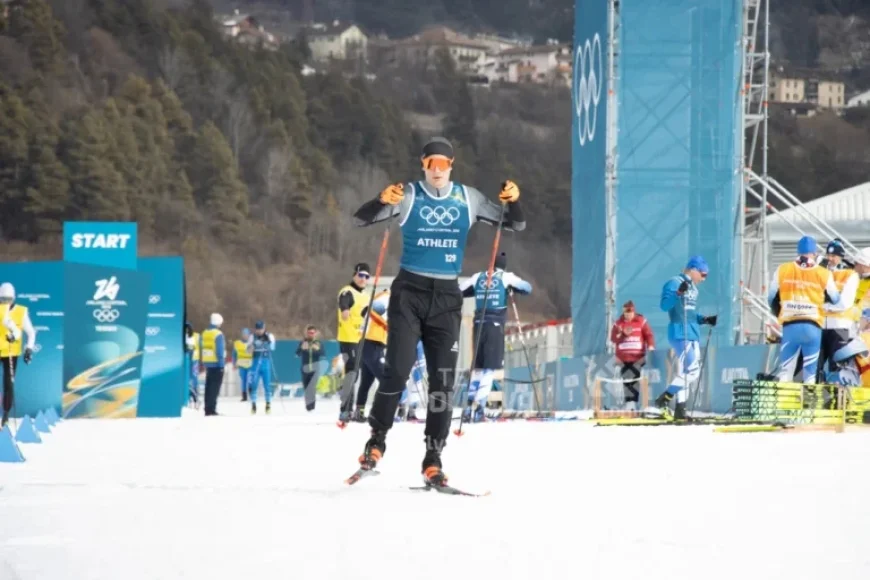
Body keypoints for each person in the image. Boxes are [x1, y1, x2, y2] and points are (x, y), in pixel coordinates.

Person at [350, 135, 525, 486]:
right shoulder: (409, 195)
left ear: (451, 165)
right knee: (397, 371)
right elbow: (361, 219)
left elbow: (513, 223)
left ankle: (433, 457)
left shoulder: (468, 198)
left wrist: (515, 201)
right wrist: (380, 200)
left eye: (443, 164)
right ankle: (376, 441)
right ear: (423, 164)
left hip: (446, 297)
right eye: (431, 163)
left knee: (443, 382)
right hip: (410, 293)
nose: (437, 170)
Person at [458, 251, 532, 422]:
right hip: (494, 325)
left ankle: (469, 405)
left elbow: (459, 290)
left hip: (478, 325)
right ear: (503, 265)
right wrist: (511, 287)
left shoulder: (478, 276)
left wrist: (480, 291)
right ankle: (480, 408)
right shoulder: (506, 277)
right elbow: (527, 288)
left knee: (478, 366)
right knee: (489, 368)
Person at [768, 236, 840, 385]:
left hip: (790, 325)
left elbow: (770, 297)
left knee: (786, 371)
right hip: (812, 326)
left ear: (798, 251)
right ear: (814, 253)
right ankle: (809, 405)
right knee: (810, 373)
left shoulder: (783, 269)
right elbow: (835, 298)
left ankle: (783, 405)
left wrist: (778, 311)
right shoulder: (823, 273)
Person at [656, 256, 718, 420]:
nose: (704, 279)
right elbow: (664, 306)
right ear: (693, 269)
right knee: (692, 371)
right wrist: (678, 292)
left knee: (685, 371)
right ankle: (665, 397)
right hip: (679, 332)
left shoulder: (694, 288)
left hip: (692, 332)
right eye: (703, 275)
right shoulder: (674, 282)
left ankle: (680, 409)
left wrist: (704, 319)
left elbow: (689, 313)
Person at [818, 239, 860, 381]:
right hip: (820, 325)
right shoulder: (820, 271)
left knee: (838, 367)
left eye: (834, 256)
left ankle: (839, 401)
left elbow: (845, 303)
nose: (830, 259)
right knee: (815, 366)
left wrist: (825, 306)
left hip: (841, 328)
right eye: (828, 255)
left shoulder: (850, 274)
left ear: (841, 256)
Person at [349, 289, 391, 422]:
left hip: (370, 346)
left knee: (367, 381)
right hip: (372, 345)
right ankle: (378, 412)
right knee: (385, 379)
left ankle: (359, 411)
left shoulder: (375, 311)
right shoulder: (378, 310)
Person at [337, 263, 372, 422]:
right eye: (361, 275)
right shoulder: (347, 291)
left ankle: (352, 409)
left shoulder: (365, 295)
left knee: (355, 374)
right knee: (352, 373)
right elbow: (344, 301)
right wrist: (345, 310)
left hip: (359, 339)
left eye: (366, 276)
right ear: (354, 275)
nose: (363, 279)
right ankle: (345, 410)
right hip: (348, 339)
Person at [0, 282, 36, 427]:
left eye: (9, 299)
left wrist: (29, 349)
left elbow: (31, 333)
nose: (6, 303)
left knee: (8, 384)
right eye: (3, 299)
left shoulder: (21, 311)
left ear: (14, 298)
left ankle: (6, 415)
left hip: (11, 352)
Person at [610, 300, 655, 410]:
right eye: (626, 314)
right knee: (626, 379)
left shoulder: (641, 321)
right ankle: (628, 402)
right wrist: (622, 335)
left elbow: (648, 334)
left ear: (633, 312)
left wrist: (651, 345)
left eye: (629, 314)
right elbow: (613, 339)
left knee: (634, 378)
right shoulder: (618, 324)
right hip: (623, 358)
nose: (628, 316)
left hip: (637, 357)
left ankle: (633, 401)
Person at [247, 320, 276, 414]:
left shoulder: (269, 335)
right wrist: (255, 345)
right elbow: (248, 350)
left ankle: (268, 404)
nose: (259, 331)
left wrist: (267, 343)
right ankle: (253, 405)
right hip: (255, 363)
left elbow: (272, 347)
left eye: (261, 329)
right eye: (258, 329)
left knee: (267, 385)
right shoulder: (252, 337)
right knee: (254, 384)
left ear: (264, 328)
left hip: (265, 362)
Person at [200, 313, 226, 416]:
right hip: (216, 364)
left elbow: (202, 346)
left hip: (208, 363)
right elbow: (219, 351)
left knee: (208, 387)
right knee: (214, 388)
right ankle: (212, 409)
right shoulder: (218, 334)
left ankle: (207, 408)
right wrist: (221, 365)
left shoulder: (204, 333)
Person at [296, 325, 323, 411]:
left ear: (315, 333)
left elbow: (322, 354)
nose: (310, 334)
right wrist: (302, 348)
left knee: (312, 388)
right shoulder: (303, 342)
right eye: (309, 333)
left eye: (312, 333)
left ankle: (312, 406)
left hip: (314, 370)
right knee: (306, 388)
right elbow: (297, 354)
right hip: (305, 369)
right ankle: (308, 406)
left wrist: (317, 350)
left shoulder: (318, 343)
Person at [397, 341, 427, 422]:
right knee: (402, 378)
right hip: (407, 340)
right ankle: (401, 410)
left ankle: (411, 412)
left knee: (418, 380)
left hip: (421, 343)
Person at [233, 328, 253, 402]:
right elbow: (234, 354)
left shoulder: (251, 343)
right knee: (243, 381)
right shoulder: (237, 343)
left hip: (250, 364)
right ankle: (244, 396)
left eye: (246, 334)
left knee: (250, 380)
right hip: (241, 365)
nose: (245, 336)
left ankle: (251, 394)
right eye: (244, 334)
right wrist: (234, 363)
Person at [185, 322, 200, 408]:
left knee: (194, 378)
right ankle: (190, 396)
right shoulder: (183, 336)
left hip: (194, 360)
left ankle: (195, 397)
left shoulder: (196, 336)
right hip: (186, 361)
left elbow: (198, 347)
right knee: (188, 379)